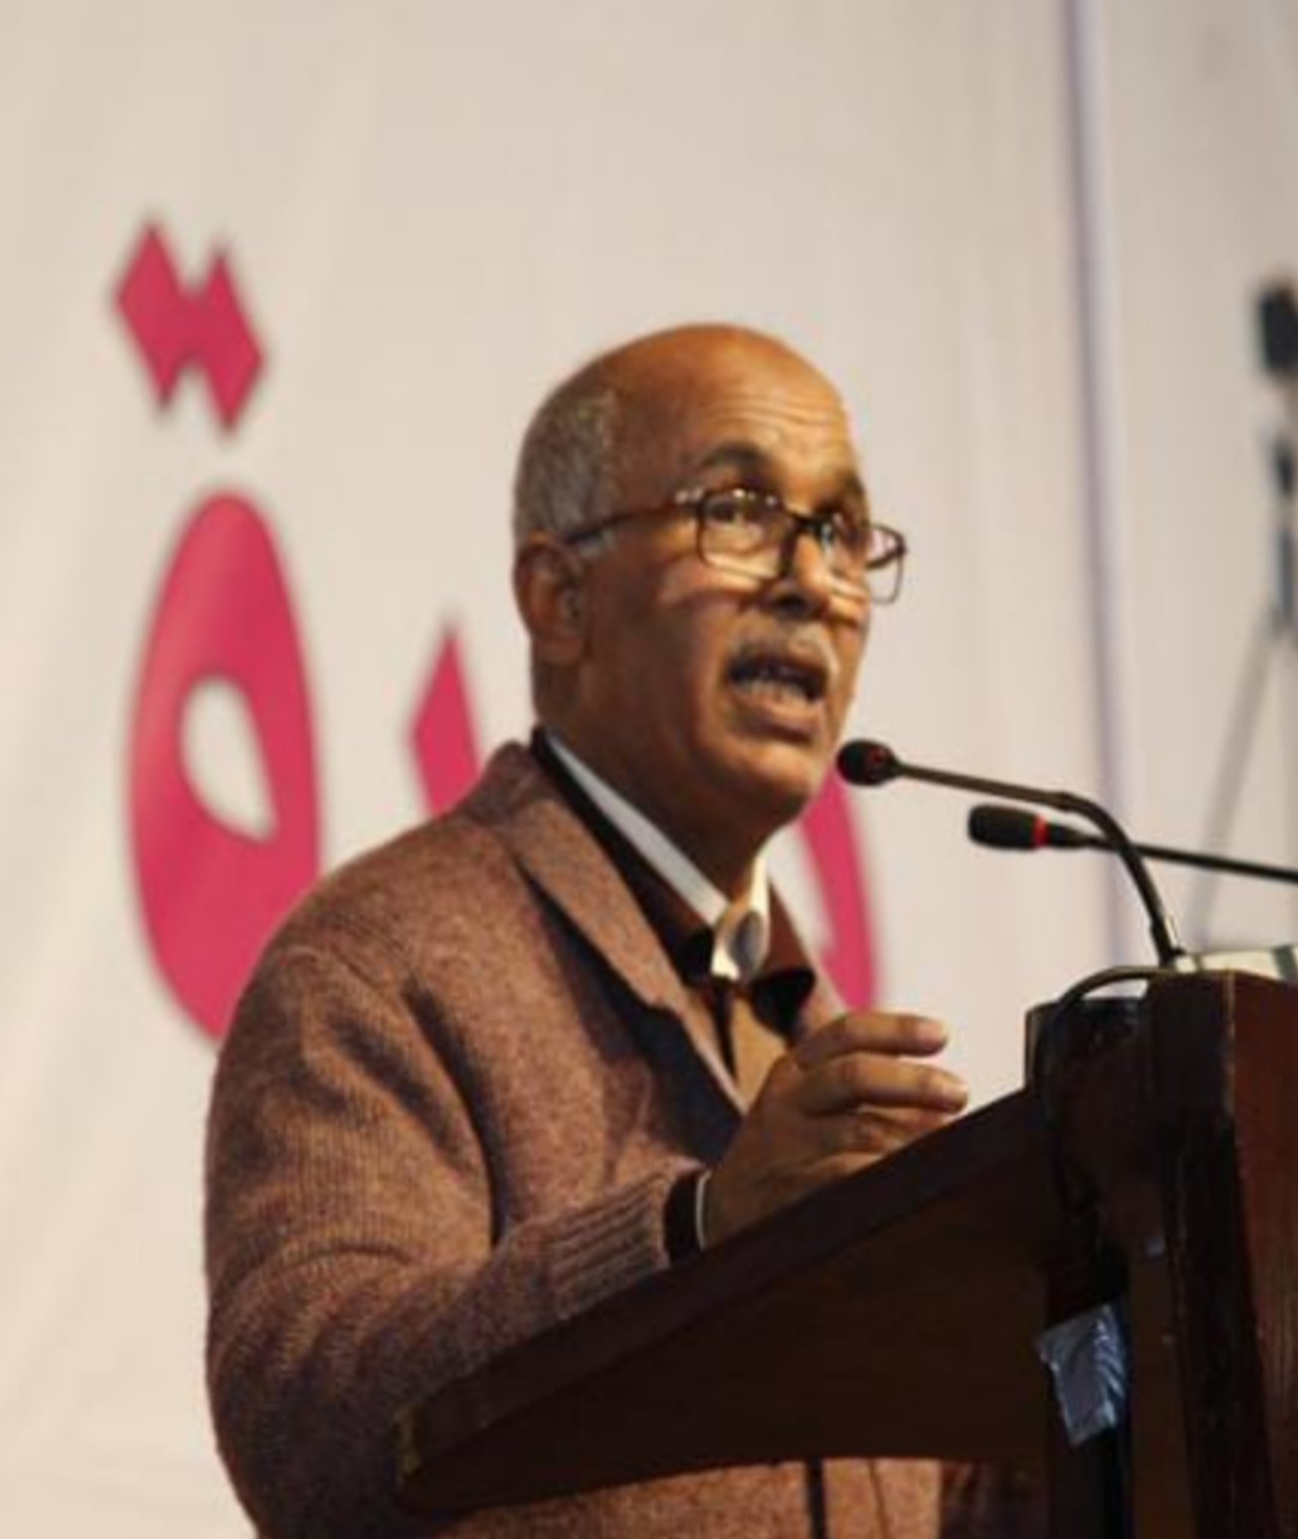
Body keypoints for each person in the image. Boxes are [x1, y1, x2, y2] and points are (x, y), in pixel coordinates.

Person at [204, 323, 1019, 1536]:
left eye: (844, 531)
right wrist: (691, 1233)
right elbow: (306, 1418)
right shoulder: (379, 961)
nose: (811, 580)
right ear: (560, 598)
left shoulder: (806, 1028)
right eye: (738, 509)